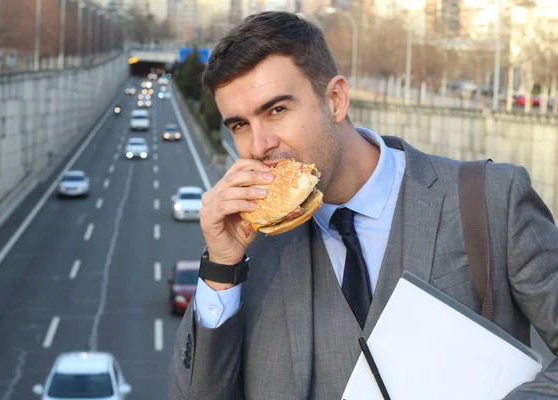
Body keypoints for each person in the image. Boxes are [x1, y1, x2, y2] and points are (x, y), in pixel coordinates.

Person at [169, 11, 558, 400]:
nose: (258, 145)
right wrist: (221, 265)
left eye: (277, 110)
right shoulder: (250, 251)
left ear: (336, 100)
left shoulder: (491, 199)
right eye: (239, 125)